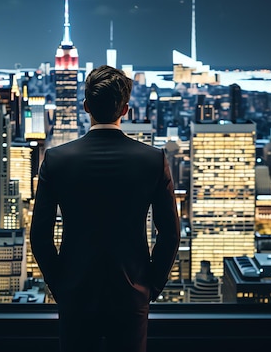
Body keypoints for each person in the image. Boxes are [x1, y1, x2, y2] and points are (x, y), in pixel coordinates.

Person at [30, 65, 181, 352]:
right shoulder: (152, 160)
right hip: (131, 293)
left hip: (75, 292)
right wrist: (150, 287)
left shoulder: (56, 160)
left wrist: (60, 285)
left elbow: (40, 235)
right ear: (125, 109)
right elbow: (170, 235)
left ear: (86, 106)